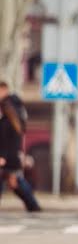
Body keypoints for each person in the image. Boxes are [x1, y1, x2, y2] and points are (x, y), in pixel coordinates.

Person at [0, 81, 41, 212]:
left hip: (7, 155)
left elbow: (6, 139)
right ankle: (33, 205)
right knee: (14, 181)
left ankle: (33, 205)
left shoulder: (8, 109)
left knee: (14, 180)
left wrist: (3, 156)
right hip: (12, 154)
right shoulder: (16, 109)